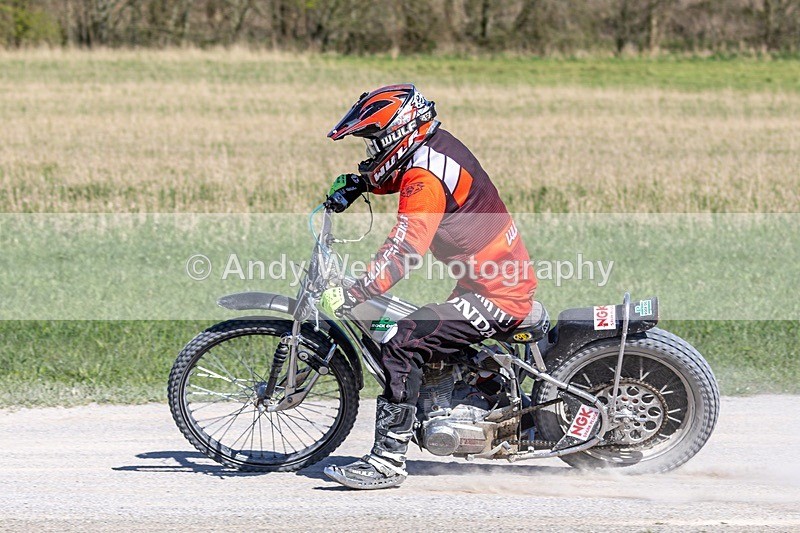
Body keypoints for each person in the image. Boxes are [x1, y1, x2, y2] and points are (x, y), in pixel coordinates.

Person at [318, 84, 537, 489]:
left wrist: (359, 292)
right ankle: (465, 401)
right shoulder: (437, 145)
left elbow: (405, 247)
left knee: (400, 339)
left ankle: (387, 462)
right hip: (488, 281)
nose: (373, 153)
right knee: (426, 333)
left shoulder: (424, 177)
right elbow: (403, 171)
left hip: (496, 295)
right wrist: (362, 183)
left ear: (398, 133)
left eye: (375, 142)